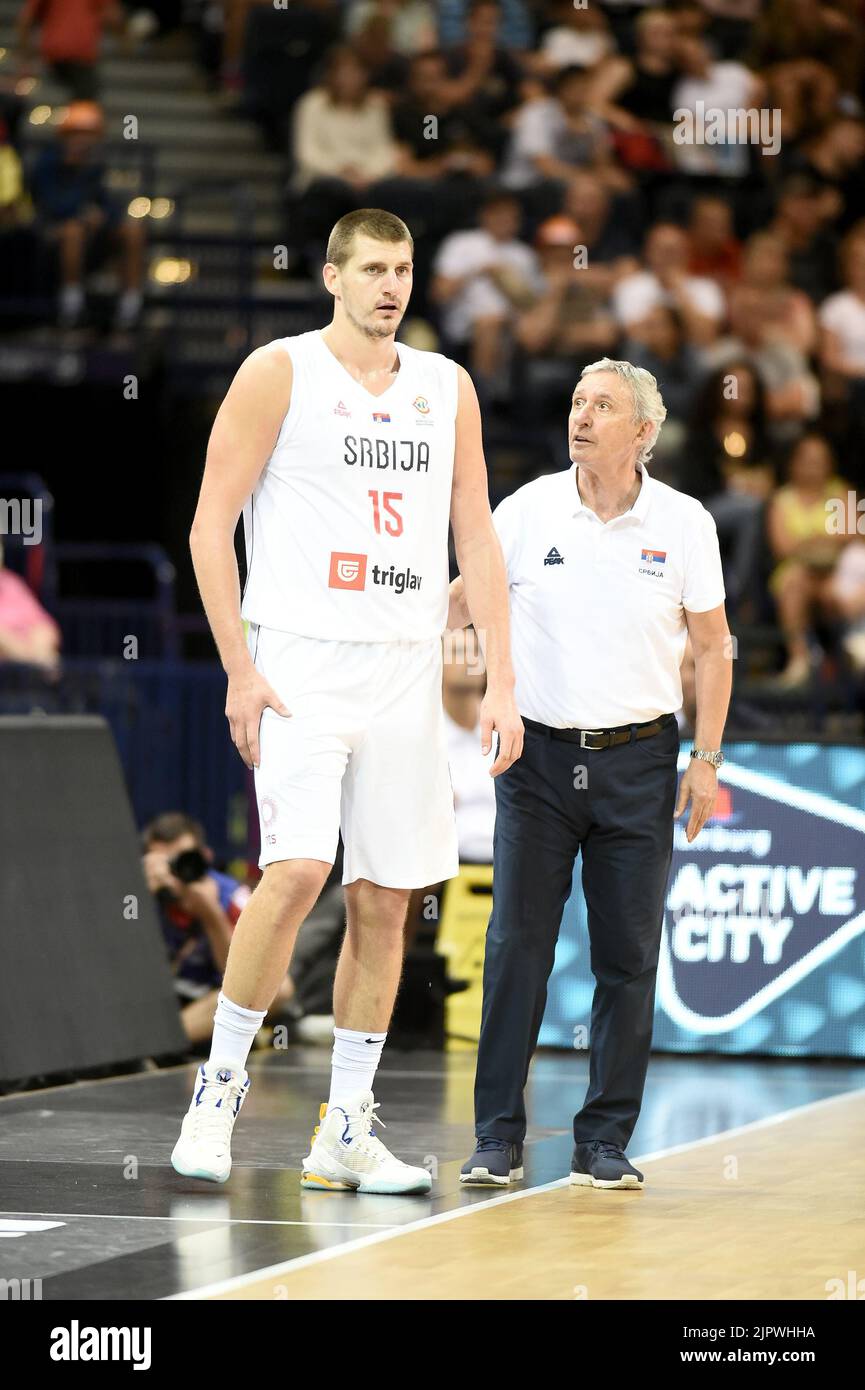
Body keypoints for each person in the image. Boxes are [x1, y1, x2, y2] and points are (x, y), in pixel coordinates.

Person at [171, 206, 523, 1193]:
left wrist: (500, 677)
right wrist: (241, 666)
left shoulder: (446, 387)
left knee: (386, 898)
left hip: (408, 665)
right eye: (371, 268)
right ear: (331, 277)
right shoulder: (277, 372)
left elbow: (477, 540)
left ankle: (347, 1127)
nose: (390, 285)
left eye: (403, 268)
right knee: (292, 871)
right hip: (302, 662)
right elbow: (210, 528)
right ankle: (217, 1095)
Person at [448, 358, 732, 1189]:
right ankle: (496, 1139)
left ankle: (602, 1141)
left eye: (601, 406)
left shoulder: (683, 523)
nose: (581, 416)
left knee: (627, 954)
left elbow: (713, 647)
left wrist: (705, 759)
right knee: (515, 950)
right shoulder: (528, 507)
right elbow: (461, 600)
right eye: (576, 401)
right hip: (535, 759)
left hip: (641, 759)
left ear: (643, 431)